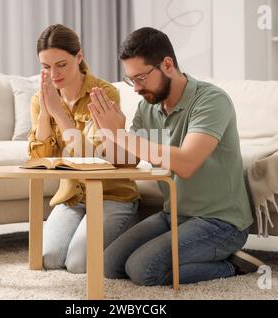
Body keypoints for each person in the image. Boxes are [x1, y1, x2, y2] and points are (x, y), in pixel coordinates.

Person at [87, 27, 264, 286]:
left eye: (141, 78)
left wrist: (122, 136)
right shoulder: (147, 106)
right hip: (173, 215)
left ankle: (229, 265)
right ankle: (195, 255)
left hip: (220, 222)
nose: (135, 88)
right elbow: (129, 161)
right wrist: (109, 134)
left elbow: (186, 162)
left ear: (167, 64)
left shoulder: (211, 100)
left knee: (143, 269)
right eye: (131, 80)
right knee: (109, 264)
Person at [28, 24, 140, 274]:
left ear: (79, 57)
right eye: (46, 67)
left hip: (110, 195)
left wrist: (59, 112)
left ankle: (128, 226)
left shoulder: (103, 93)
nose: (53, 74)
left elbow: (95, 159)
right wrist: (46, 112)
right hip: (72, 197)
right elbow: (40, 159)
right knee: (48, 258)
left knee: (78, 264)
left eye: (61, 64)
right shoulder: (40, 98)